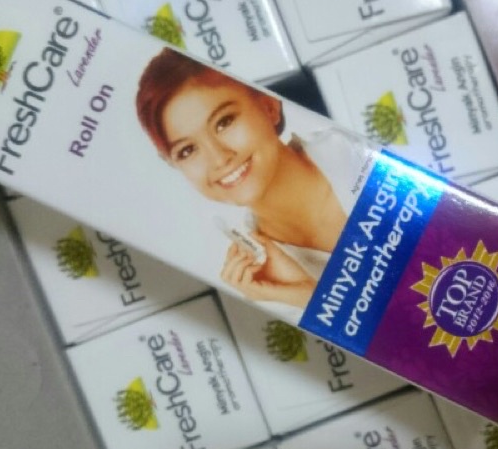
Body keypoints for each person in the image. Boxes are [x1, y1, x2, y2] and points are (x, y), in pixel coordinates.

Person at [136, 48, 363, 308]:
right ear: (174, 165)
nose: (219, 159)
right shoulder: (266, 286)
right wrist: (312, 299)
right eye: (187, 151)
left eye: (224, 122)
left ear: (269, 106)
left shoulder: (354, 149)